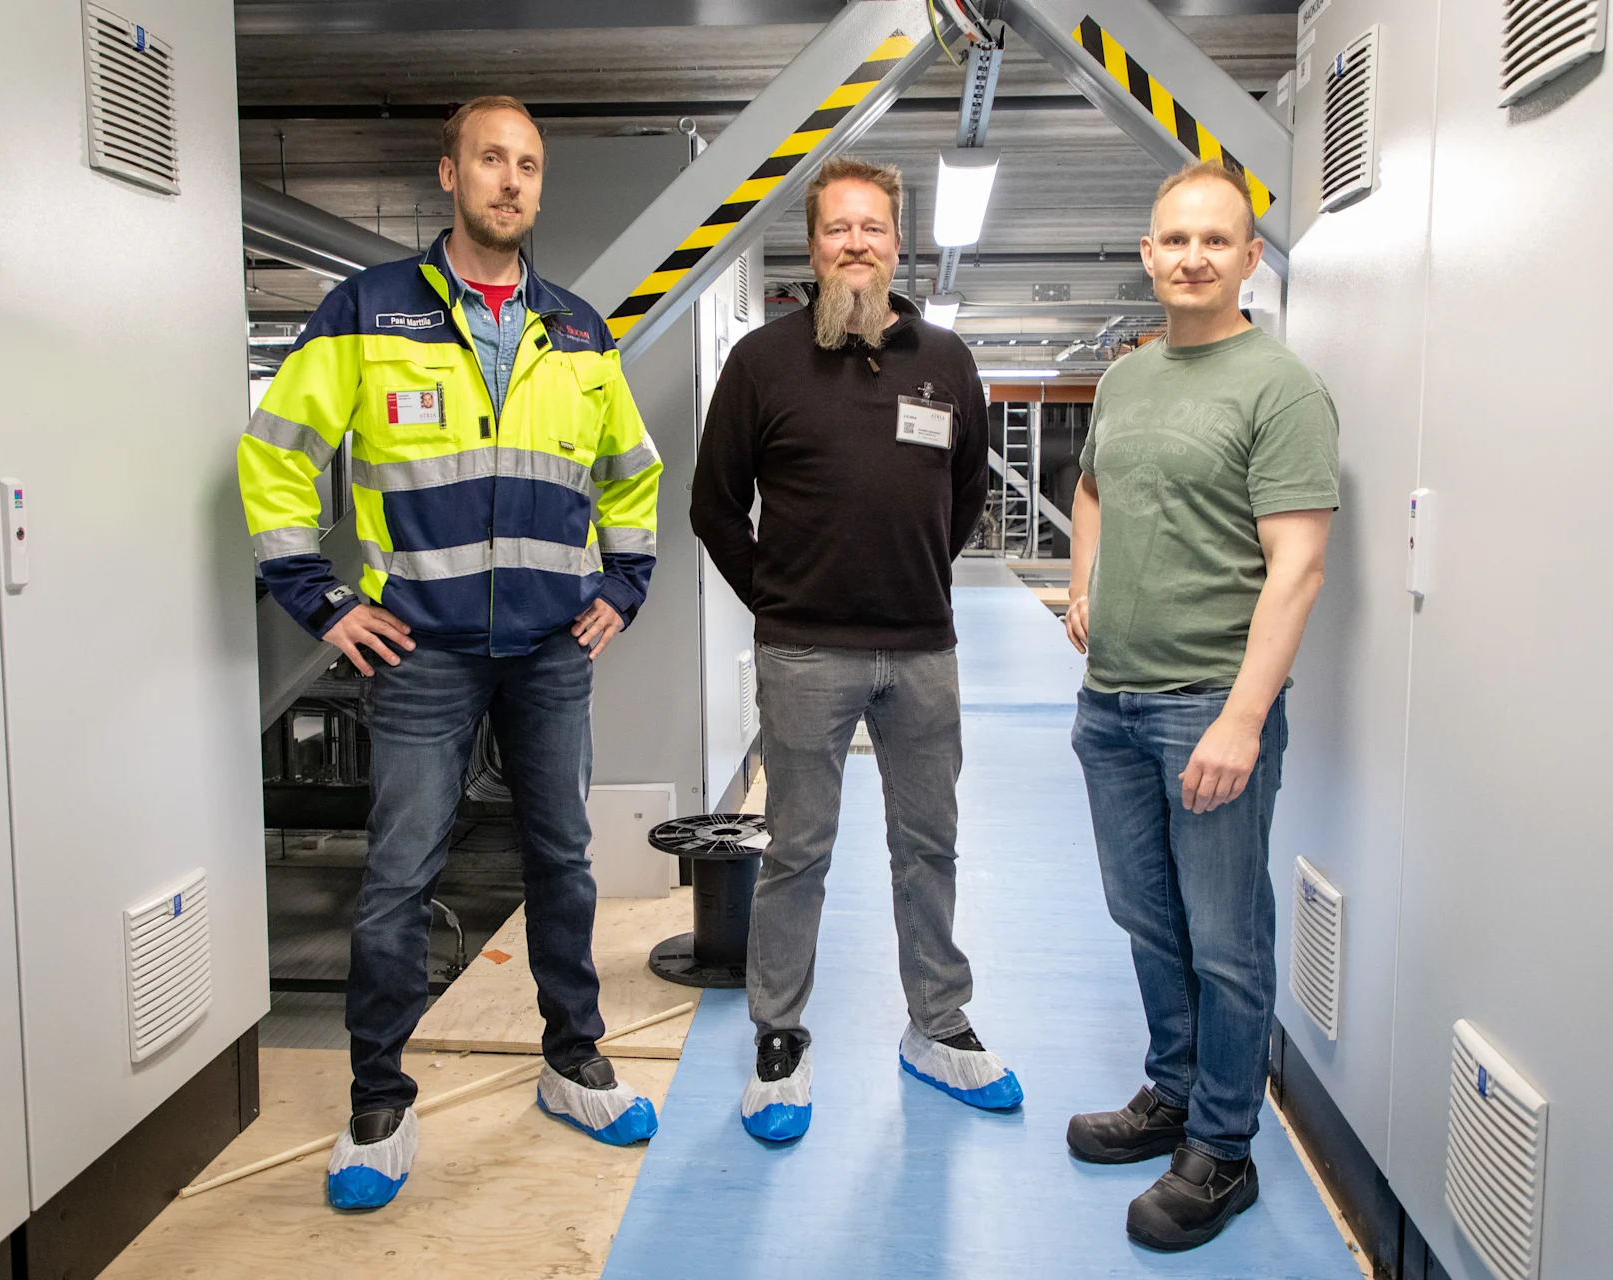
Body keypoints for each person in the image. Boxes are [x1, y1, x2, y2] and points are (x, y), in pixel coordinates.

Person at [238, 95, 665, 1210]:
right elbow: (278, 455)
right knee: (399, 871)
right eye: (491, 159)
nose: (511, 179)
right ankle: (378, 1098)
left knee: (563, 859)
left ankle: (574, 1059)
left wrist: (622, 582)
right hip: (418, 645)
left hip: (548, 650)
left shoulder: (578, 329)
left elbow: (632, 471)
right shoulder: (366, 310)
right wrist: (321, 598)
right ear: (449, 174)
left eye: (528, 163)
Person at [691, 156, 1022, 1143]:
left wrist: (914, 571)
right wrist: (778, 601)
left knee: (929, 845)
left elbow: (965, 493)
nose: (857, 243)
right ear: (812, 244)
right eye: (839, 227)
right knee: (797, 851)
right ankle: (779, 1033)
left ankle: (937, 1022)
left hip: (922, 651)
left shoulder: (947, 360)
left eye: (873, 226)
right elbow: (714, 504)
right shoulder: (761, 361)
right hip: (805, 654)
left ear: (897, 240)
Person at [1063, 160, 1338, 1250]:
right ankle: (1172, 1095)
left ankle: (1223, 1149)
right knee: (1147, 918)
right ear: (1148, 252)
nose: (1192, 257)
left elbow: (1300, 565)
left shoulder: (1281, 387)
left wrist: (1241, 715)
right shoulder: (1128, 380)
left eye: (1214, 241)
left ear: (1248, 258)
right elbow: (1090, 486)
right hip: (1112, 705)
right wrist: (1081, 584)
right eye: (1174, 239)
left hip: (1208, 706)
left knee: (1226, 938)